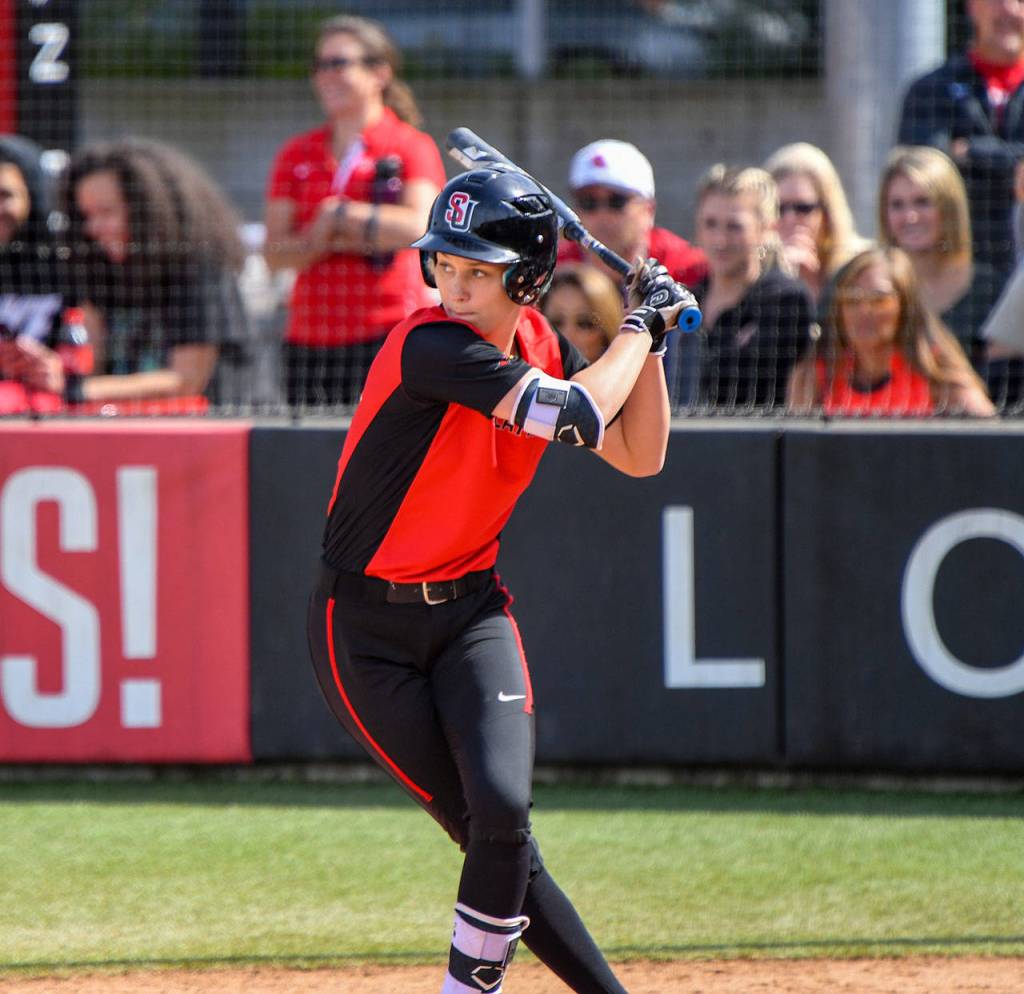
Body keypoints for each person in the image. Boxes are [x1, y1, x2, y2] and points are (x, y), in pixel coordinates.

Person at [306, 165, 688, 994]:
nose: (453, 284)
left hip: (471, 613)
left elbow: (639, 453)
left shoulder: (540, 348)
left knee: (505, 817)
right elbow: (581, 415)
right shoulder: (430, 345)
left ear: (527, 278)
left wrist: (646, 339)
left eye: (476, 271)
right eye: (444, 264)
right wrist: (640, 325)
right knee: (493, 832)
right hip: (365, 634)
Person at [264, 14, 445, 408]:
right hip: (309, 338)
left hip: (389, 331)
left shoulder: (410, 145)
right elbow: (276, 253)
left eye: (339, 63)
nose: (326, 76)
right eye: (320, 65)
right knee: (313, 461)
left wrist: (338, 218)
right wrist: (335, 231)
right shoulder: (297, 153)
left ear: (379, 73)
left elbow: (420, 227)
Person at [10, 138, 250, 411]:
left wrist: (78, 389)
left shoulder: (199, 266)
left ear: (146, 210)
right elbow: (93, 361)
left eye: (107, 212)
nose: (95, 227)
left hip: (209, 432)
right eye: (87, 215)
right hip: (122, 429)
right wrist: (52, 369)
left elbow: (187, 380)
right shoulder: (97, 268)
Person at [897, 0, 1024, 287]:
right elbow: (922, 174)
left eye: (1019, 1)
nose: (1010, 10)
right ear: (972, 6)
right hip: (951, 284)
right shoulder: (930, 90)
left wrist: (969, 152)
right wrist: (1014, 163)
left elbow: (948, 163)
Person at [787, 247, 995, 417]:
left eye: (879, 300)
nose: (864, 311)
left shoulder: (939, 376)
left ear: (904, 305)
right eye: (851, 300)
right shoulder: (814, 377)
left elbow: (991, 441)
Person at [671, 164, 813, 411]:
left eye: (734, 227)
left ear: (765, 227)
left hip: (759, 442)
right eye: (710, 224)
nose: (720, 240)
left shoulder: (785, 300)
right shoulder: (683, 302)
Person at [878, 145, 1003, 369]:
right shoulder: (871, 287)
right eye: (897, 205)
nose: (910, 217)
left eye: (922, 202)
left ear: (949, 208)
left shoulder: (991, 290)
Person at [0, 134, 89, 414]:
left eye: (5, 196)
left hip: (51, 411)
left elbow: (88, 352)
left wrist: (55, 367)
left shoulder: (66, 263)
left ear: (32, 194)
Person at [559, 138, 706, 290]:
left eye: (617, 201)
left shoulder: (690, 270)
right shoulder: (553, 269)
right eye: (588, 202)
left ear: (648, 210)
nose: (602, 215)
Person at [763, 141, 868, 307]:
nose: (790, 219)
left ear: (827, 213)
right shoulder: (752, 271)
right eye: (778, 208)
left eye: (803, 208)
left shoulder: (860, 267)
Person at [540, 263, 623, 363]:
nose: (567, 336)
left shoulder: (634, 376)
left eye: (584, 324)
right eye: (556, 323)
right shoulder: (522, 374)